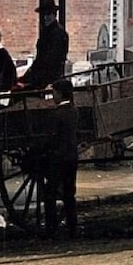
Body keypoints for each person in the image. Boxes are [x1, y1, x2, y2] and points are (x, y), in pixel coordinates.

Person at [43, 79, 79, 238]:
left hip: (58, 159)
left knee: (50, 193)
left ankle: (51, 228)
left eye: (54, 93)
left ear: (59, 93)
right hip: (72, 158)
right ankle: (73, 228)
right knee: (69, 193)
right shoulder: (74, 111)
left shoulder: (56, 115)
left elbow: (51, 138)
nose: (53, 96)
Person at [18, 0, 69, 90]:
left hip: (49, 78)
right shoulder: (46, 32)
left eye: (48, 14)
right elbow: (39, 59)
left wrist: (33, 80)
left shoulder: (59, 34)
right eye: (43, 14)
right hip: (41, 76)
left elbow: (52, 61)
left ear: (54, 15)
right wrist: (25, 78)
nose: (45, 17)